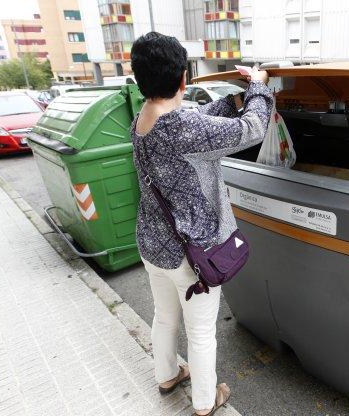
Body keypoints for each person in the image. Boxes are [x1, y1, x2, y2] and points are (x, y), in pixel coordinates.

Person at [130, 32, 272, 416]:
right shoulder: (183, 130)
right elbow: (253, 129)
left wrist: (234, 99)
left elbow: (195, 123)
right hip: (192, 255)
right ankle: (207, 403)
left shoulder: (142, 119)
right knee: (201, 332)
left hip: (153, 245)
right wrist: (259, 89)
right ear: (183, 79)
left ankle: (167, 375)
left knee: (164, 317)